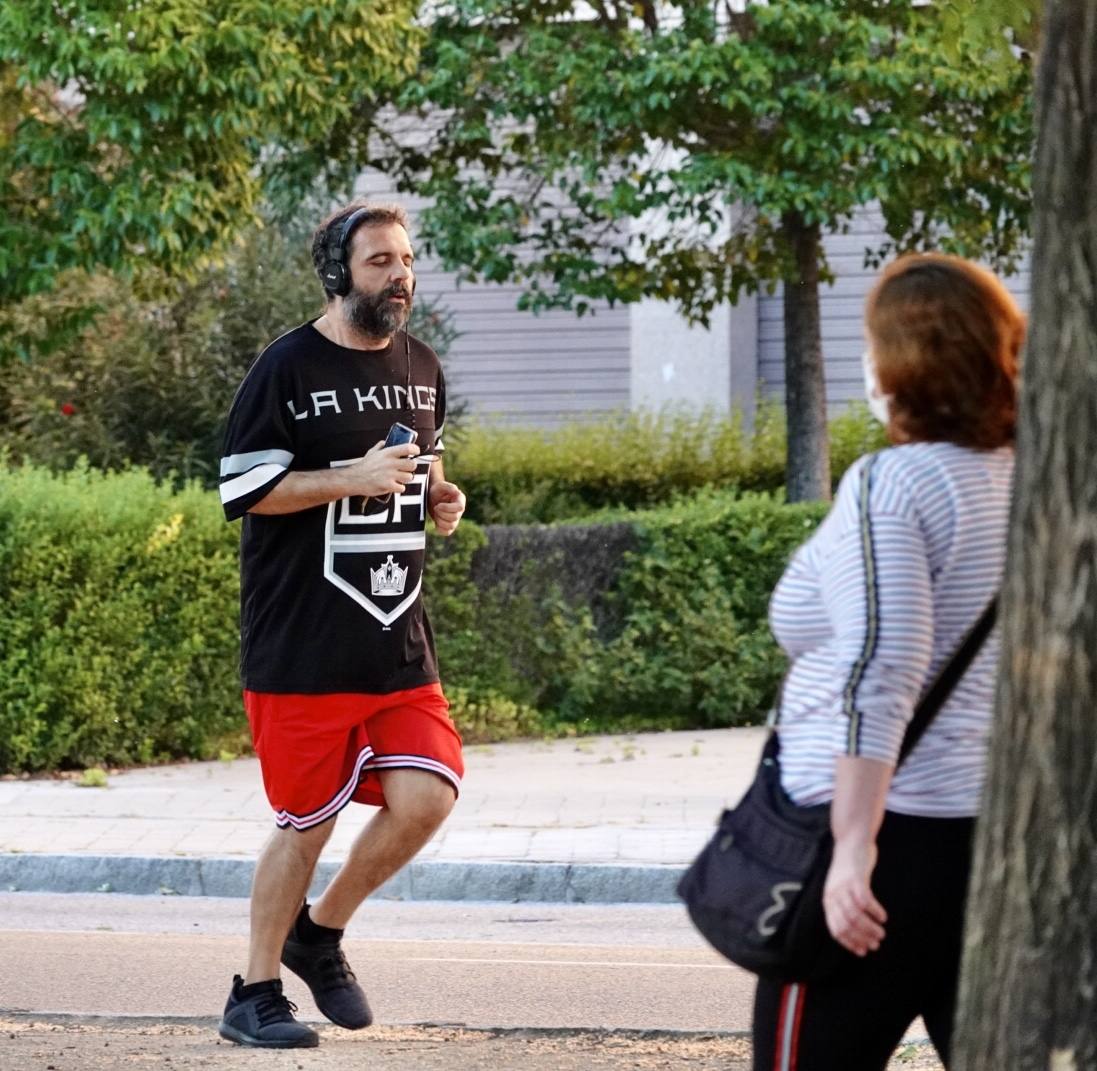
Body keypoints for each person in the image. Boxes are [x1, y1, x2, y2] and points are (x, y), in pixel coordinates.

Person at [752, 253, 1024, 1071]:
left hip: (885, 846)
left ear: (903, 360)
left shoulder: (892, 483)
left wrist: (852, 845)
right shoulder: (1034, 480)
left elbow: (883, 664)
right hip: (989, 839)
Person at [215, 201, 467, 1049]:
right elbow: (244, 489)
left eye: (405, 260)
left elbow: (422, 465)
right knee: (306, 822)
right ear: (337, 273)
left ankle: (317, 934)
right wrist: (343, 476)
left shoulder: (422, 364)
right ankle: (250, 992)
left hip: (396, 640)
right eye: (379, 262)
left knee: (428, 796)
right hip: (301, 645)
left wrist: (438, 497)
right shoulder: (285, 366)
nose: (400, 276)